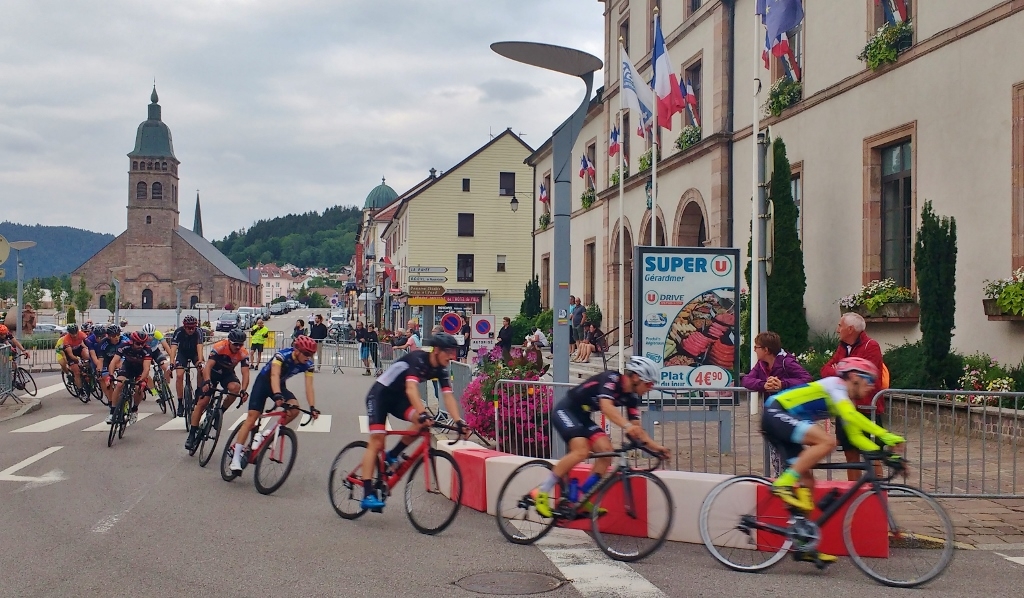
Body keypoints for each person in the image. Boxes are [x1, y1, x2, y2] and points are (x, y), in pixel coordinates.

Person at [762, 357, 905, 564]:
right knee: (828, 441)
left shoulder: (845, 399)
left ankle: (803, 544)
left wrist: (883, 453)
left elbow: (856, 437)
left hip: (787, 421)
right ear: (855, 377)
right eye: (869, 381)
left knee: (808, 483)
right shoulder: (836, 386)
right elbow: (851, 416)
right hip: (777, 412)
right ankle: (783, 483)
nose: (871, 388)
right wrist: (886, 435)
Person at [532, 356, 669, 517]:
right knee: (581, 451)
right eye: (649, 384)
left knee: (606, 452)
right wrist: (627, 426)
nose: (650, 388)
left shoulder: (631, 397)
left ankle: (580, 498)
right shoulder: (611, 379)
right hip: (565, 411)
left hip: (582, 417)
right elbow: (606, 407)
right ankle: (541, 491)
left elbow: (638, 430)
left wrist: (657, 448)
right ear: (636, 377)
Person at [358, 333, 470, 510]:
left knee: (421, 422)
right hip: (380, 395)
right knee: (377, 440)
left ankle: (392, 455)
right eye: (448, 352)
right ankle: (366, 494)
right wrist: (423, 412)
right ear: (437, 351)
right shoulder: (418, 359)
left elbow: (448, 396)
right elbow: (411, 389)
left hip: (398, 400)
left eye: (453, 352)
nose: (451, 356)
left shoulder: (441, 369)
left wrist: (459, 421)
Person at [228, 335, 320, 473]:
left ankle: (265, 434)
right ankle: (235, 459)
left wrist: (312, 407)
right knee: (252, 417)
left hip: (279, 385)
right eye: (306, 354)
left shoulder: (308, 365)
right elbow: (274, 375)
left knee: (294, 408)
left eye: (311, 354)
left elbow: (309, 387)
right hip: (264, 382)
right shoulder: (282, 356)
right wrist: (277, 394)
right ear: (297, 350)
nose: (309, 357)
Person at [821, 312, 887, 481]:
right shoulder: (842, 347)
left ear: (850, 329)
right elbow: (825, 370)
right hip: (845, 407)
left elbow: (868, 378)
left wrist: (840, 371)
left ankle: (878, 492)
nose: (837, 329)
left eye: (840, 325)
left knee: (872, 454)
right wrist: (843, 372)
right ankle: (853, 493)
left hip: (865, 408)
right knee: (850, 454)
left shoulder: (870, 346)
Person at [185, 329, 251, 451]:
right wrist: (207, 381)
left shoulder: (243, 353)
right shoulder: (220, 346)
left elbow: (245, 373)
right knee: (202, 402)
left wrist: (244, 390)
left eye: (240, 344)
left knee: (235, 388)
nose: (238, 347)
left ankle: (219, 413)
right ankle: (192, 434)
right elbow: (208, 366)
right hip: (213, 372)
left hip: (227, 374)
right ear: (229, 341)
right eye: (235, 344)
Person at [741, 331, 812, 398]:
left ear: (766, 350)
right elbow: (746, 380)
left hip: (789, 408)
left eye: (756, 347)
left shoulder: (787, 362)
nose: (754, 350)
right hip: (770, 407)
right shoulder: (760, 364)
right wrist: (764, 385)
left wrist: (782, 384)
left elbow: (807, 379)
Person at [106, 331, 157, 425]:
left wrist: (142, 381)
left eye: (143, 344)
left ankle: (134, 409)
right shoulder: (124, 346)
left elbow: (146, 368)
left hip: (140, 370)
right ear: (132, 341)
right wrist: (111, 375)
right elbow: (114, 362)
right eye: (138, 343)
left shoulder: (147, 350)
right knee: (119, 384)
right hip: (127, 367)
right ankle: (112, 412)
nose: (140, 346)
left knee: (139, 389)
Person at [170, 315, 206, 418]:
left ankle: (198, 390)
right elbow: (173, 348)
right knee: (180, 375)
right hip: (183, 354)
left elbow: (199, 347)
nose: (191, 330)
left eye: (192, 328)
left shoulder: (198, 331)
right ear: (184, 327)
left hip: (194, 353)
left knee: (202, 369)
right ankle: (180, 403)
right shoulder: (179, 332)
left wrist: (200, 361)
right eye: (188, 328)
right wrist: (172, 362)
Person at [141, 322, 173, 388]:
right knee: (145, 372)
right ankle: (155, 393)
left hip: (155, 351)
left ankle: (167, 388)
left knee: (166, 368)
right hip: (145, 353)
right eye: (148, 335)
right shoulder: (141, 336)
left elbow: (166, 346)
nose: (150, 337)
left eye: (152, 335)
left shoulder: (157, 333)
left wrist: (172, 359)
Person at [60, 324, 91, 393]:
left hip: (78, 349)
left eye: (75, 333)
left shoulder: (81, 334)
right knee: (76, 372)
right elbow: (70, 355)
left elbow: (89, 343)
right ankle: (80, 390)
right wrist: (78, 360)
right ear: (69, 333)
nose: (74, 335)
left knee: (87, 354)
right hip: (70, 353)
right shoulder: (66, 339)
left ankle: (87, 372)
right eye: (72, 333)